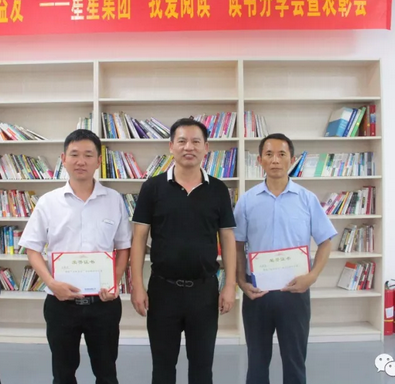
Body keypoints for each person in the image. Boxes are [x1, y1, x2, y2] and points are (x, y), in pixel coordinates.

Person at [18, 129, 132, 384]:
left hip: (103, 303)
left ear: (98, 161)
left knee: (106, 372)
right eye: (75, 154)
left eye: (88, 155)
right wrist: (51, 283)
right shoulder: (48, 202)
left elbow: (123, 246)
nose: (81, 161)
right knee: (63, 373)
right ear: (63, 159)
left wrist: (114, 282)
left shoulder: (114, 200)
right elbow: (32, 249)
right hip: (60, 303)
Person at [129, 118, 237, 384]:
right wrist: (137, 285)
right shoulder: (152, 187)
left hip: (204, 291)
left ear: (206, 147)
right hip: (163, 291)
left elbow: (227, 238)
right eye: (182, 141)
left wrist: (229, 285)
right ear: (171, 146)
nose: (189, 147)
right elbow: (139, 238)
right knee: (163, 368)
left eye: (196, 141)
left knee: (202, 368)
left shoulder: (218, 189)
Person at [233, 133, 338, 384]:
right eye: (269, 154)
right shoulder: (247, 201)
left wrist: (312, 277)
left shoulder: (307, 199)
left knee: (295, 360)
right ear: (259, 160)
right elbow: (236, 245)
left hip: (295, 292)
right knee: (257, 361)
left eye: (281, 154)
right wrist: (240, 281)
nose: (275, 160)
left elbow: (325, 241)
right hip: (257, 292)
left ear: (292, 160)